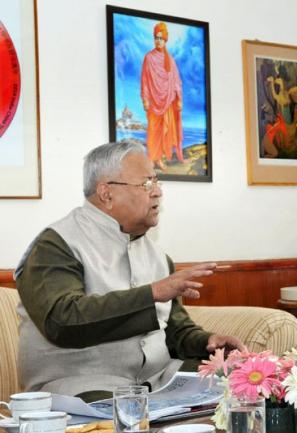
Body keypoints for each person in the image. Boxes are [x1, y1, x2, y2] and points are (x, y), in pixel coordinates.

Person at [14, 142, 245, 398]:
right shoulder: (56, 245)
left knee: (242, 383)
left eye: (157, 182)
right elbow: (62, 320)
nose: (157, 192)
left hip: (156, 379)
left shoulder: (156, 255)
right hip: (80, 383)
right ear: (106, 193)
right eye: (147, 184)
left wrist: (206, 341)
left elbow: (173, 330)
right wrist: (152, 293)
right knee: (122, 418)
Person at [141, 21, 184, 170]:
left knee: (163, 131)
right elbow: (145, 80)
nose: (158, 41)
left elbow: (177, 80)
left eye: (161, 38)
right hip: (153, 101)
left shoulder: (170, 60)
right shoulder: (148, 58)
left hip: (167, 101)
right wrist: (145, 98)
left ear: (165, 40)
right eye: (156, 38)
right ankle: (152, 158)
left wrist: (179, 99)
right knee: (153, 130)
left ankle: (158, 159)